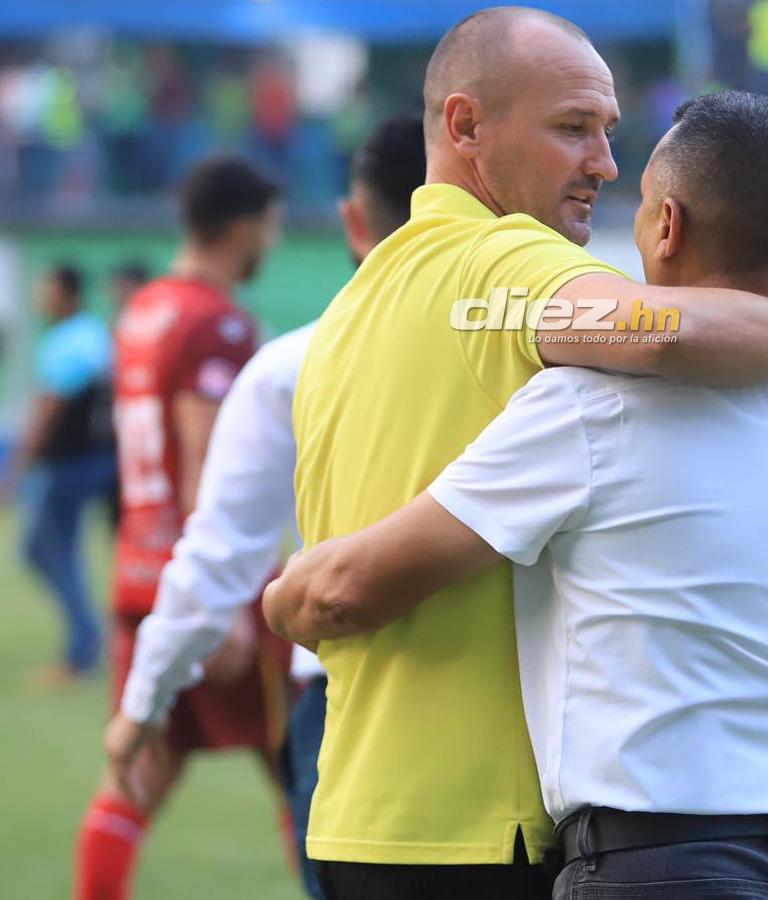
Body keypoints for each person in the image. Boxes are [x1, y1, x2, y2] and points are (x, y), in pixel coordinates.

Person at [284, 8, 768, 899]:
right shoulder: (505, 263)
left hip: (362, 808)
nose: (603, 161)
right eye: (572, 128)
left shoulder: (357, 303)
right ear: (466, 125)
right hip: (490, 830)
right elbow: (654, 330)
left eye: (609, 132)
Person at [102, 115, 426, 900]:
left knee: (157, 774)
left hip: (273, 638)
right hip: (493, 704)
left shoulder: (168, 317)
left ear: (356, 221)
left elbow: (216, 529)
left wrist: (141, 697)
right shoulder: (218, 324)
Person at [73, 156, 287, 900]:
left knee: (134, 777)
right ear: (239, 227)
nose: (272, 240)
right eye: (269, 225)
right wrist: (223, 602)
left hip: (139, 577)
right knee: (311, 777)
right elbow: (206, 465)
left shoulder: (145, 310)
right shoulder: (216, 321)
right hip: (208, 586)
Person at [2, 264, 116, 685]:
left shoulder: (68, 342)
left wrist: (14, 471)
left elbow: (46, 413)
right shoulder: (95, 335)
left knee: (46, 549)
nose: (39, 298)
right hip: (95, 463)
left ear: (67, 293)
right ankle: (86, 638)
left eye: (46, 289)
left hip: (67, 466)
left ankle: (84, 644)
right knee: (53, 549)